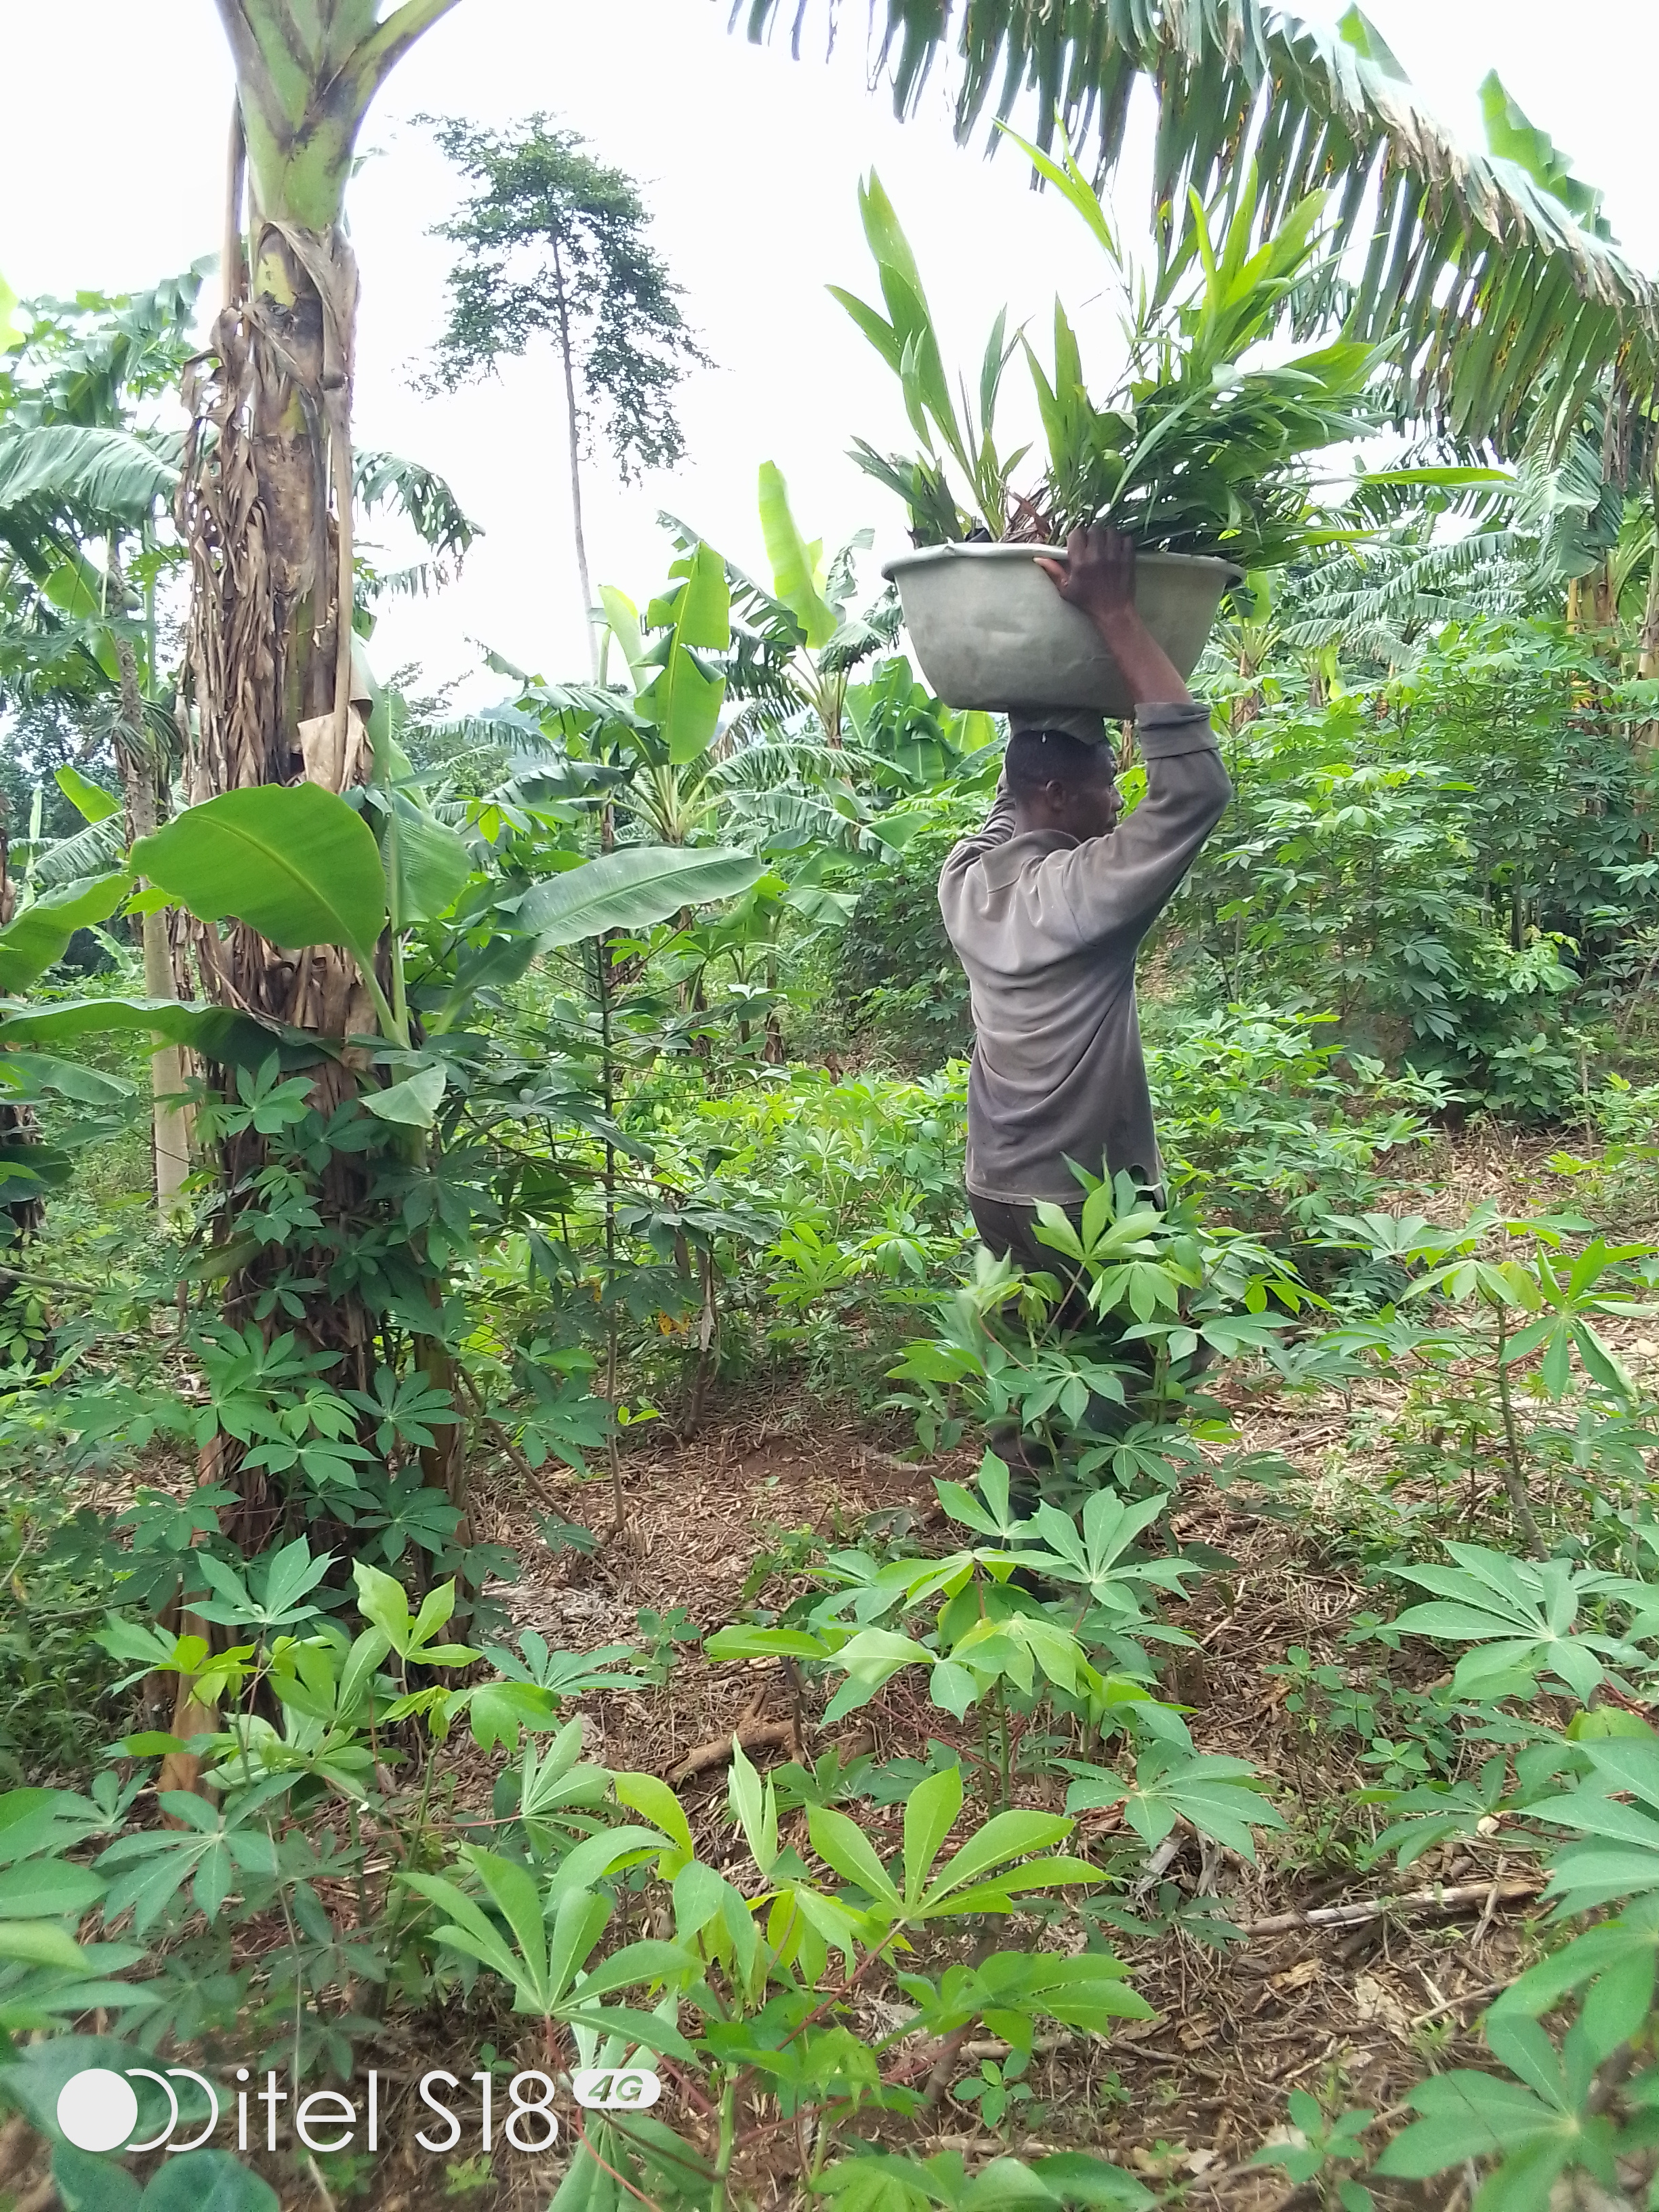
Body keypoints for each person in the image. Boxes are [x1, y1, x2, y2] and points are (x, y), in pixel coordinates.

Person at [937, 524, 1233, 1289]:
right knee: (1134, 1384)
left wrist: (1019, 613)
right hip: (1084, 1198)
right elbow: (1195, 789)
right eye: (1111, 783)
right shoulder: (1086, 895)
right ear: (1063, 796)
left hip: (995, 1188)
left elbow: (1018, 787)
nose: (1120, 798)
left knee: (1036, 1372)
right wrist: (1116, 615)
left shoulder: (965, 879)